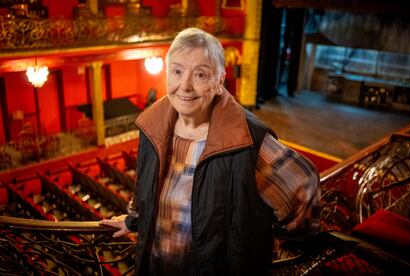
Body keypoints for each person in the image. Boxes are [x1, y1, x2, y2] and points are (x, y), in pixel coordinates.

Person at [100, 27, 320, 276]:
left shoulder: (248, 140)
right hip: (156, 266)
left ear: (219, 82)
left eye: (201, 75)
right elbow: (145, 187)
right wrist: (133, 220)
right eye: (177, 71)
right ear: (167, 75)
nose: (185, 86)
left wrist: (280, 238)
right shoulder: (151, 126)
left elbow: (305, 184)